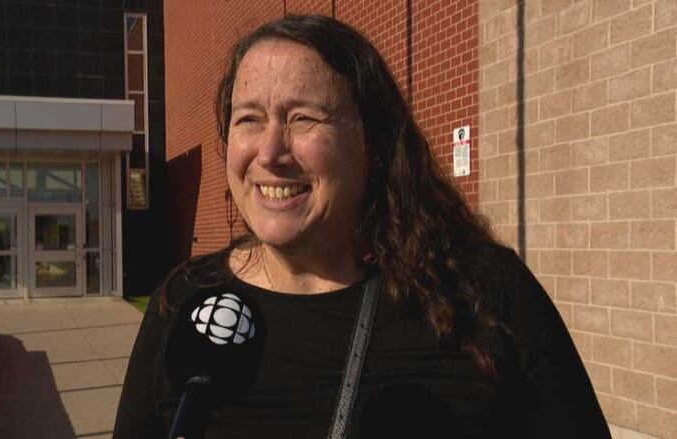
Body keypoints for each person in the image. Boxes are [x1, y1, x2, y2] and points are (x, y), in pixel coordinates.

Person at [114, 15, 611, 439]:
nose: (269, 153)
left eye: (303, 118)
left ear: (371, 145)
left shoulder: (482, 294)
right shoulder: (182, 304)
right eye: (249, 119)